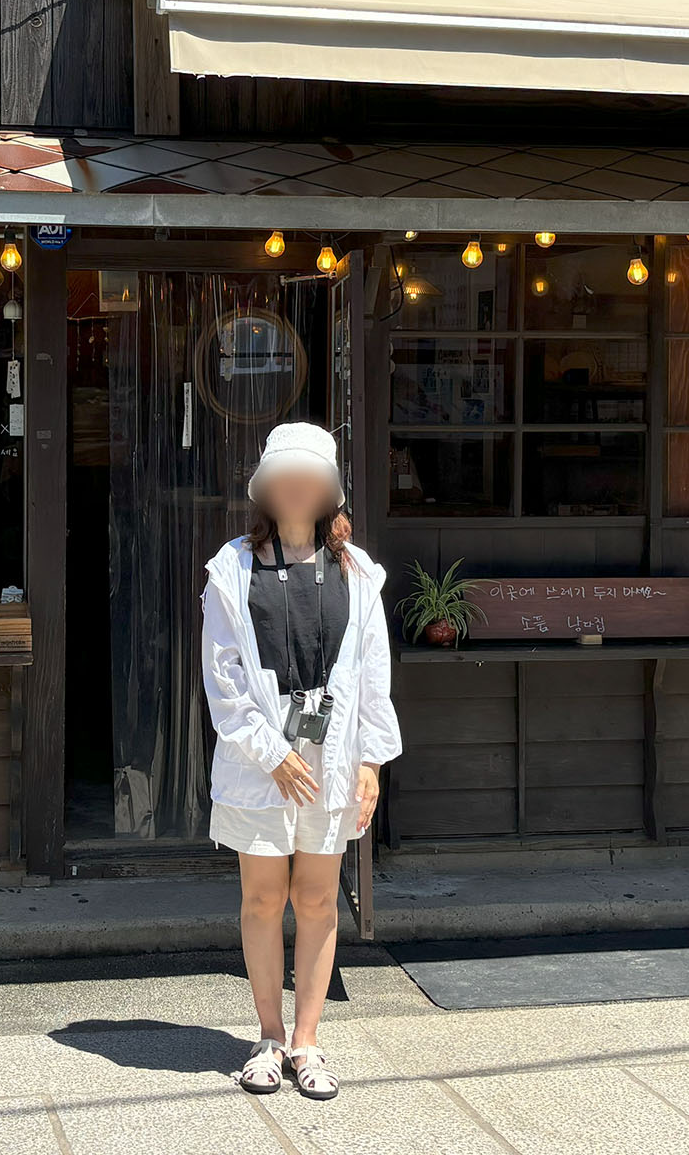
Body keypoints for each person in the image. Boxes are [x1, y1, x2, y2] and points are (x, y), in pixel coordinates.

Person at [200, 420, 402, 1101]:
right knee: (262, 898)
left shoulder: (356, 571)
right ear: (264, 487)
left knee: (317, 899)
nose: (295, 489)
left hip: (332, 754)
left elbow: (373, 675)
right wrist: (273, 752)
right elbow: (223, 679)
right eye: (284, 478)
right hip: (259, 758)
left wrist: (371, 761)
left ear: (328, 491)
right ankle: (267, 1037)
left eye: (308, 479)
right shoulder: (231, 568)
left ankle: (307, 1041)